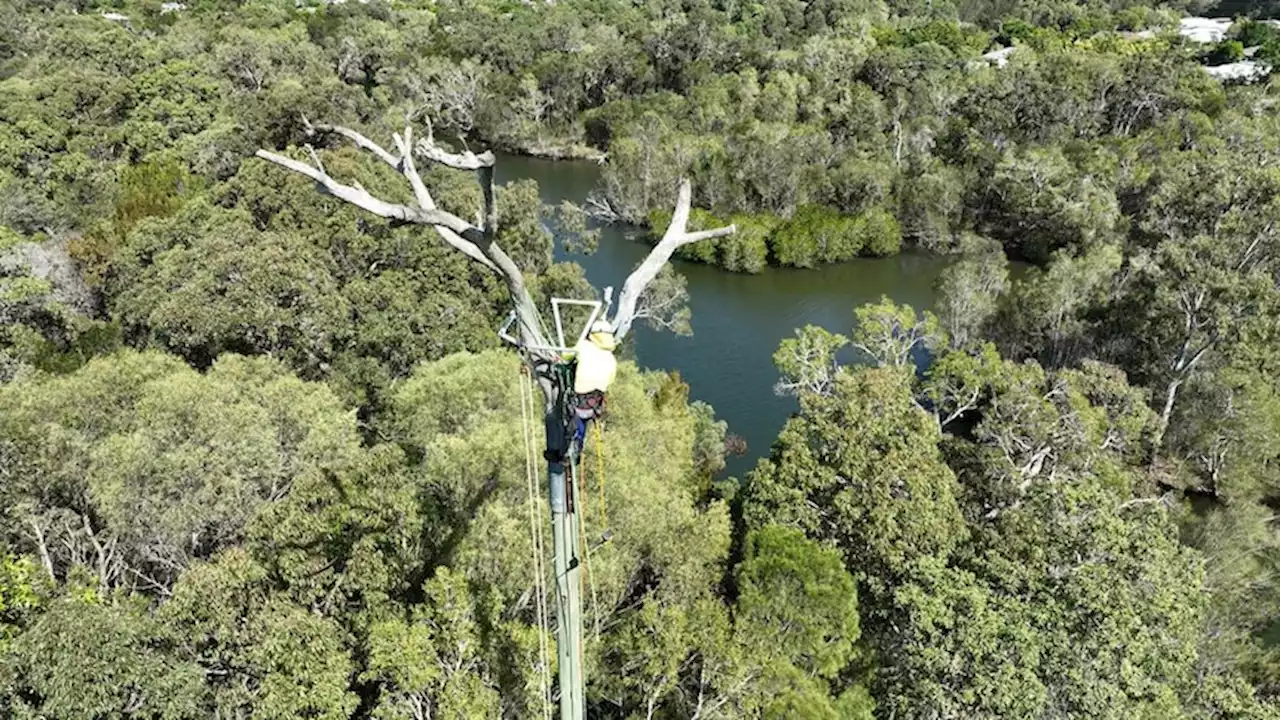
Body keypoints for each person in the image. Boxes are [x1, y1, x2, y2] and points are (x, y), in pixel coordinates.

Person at [566, 320, 617, 450]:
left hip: (580, 395)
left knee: (573, 421)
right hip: (596, 399)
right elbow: (611, 380)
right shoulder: (611, 358)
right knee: (583, 421)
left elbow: (567, 357)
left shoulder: (583, 346)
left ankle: (568, 449)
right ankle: (578, 447)